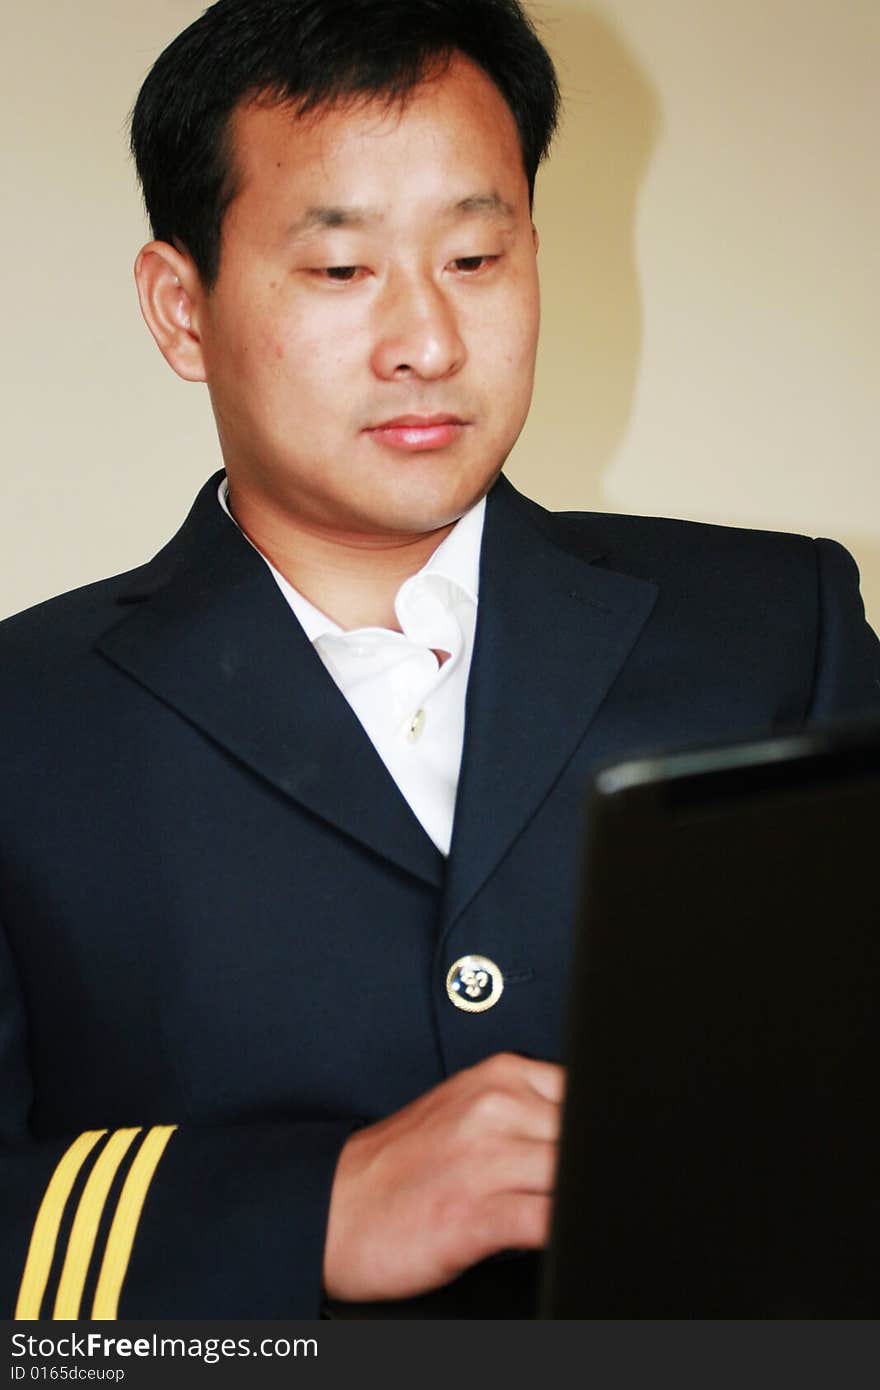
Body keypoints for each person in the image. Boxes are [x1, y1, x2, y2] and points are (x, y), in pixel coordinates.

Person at [2, 0, 878, 1322]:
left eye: (474, 256)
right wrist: (318, 1208)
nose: (429, 342)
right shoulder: (28, 718)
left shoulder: (775, 627)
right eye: (343, 270)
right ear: (182, 308)